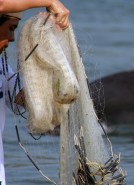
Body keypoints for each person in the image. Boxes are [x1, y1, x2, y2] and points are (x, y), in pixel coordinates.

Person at [0, 1, 70, 184]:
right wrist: (50, 2)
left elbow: (19, 99)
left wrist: (50, 84)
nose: (13, 38)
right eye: (11, 28)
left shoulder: (1, 66)